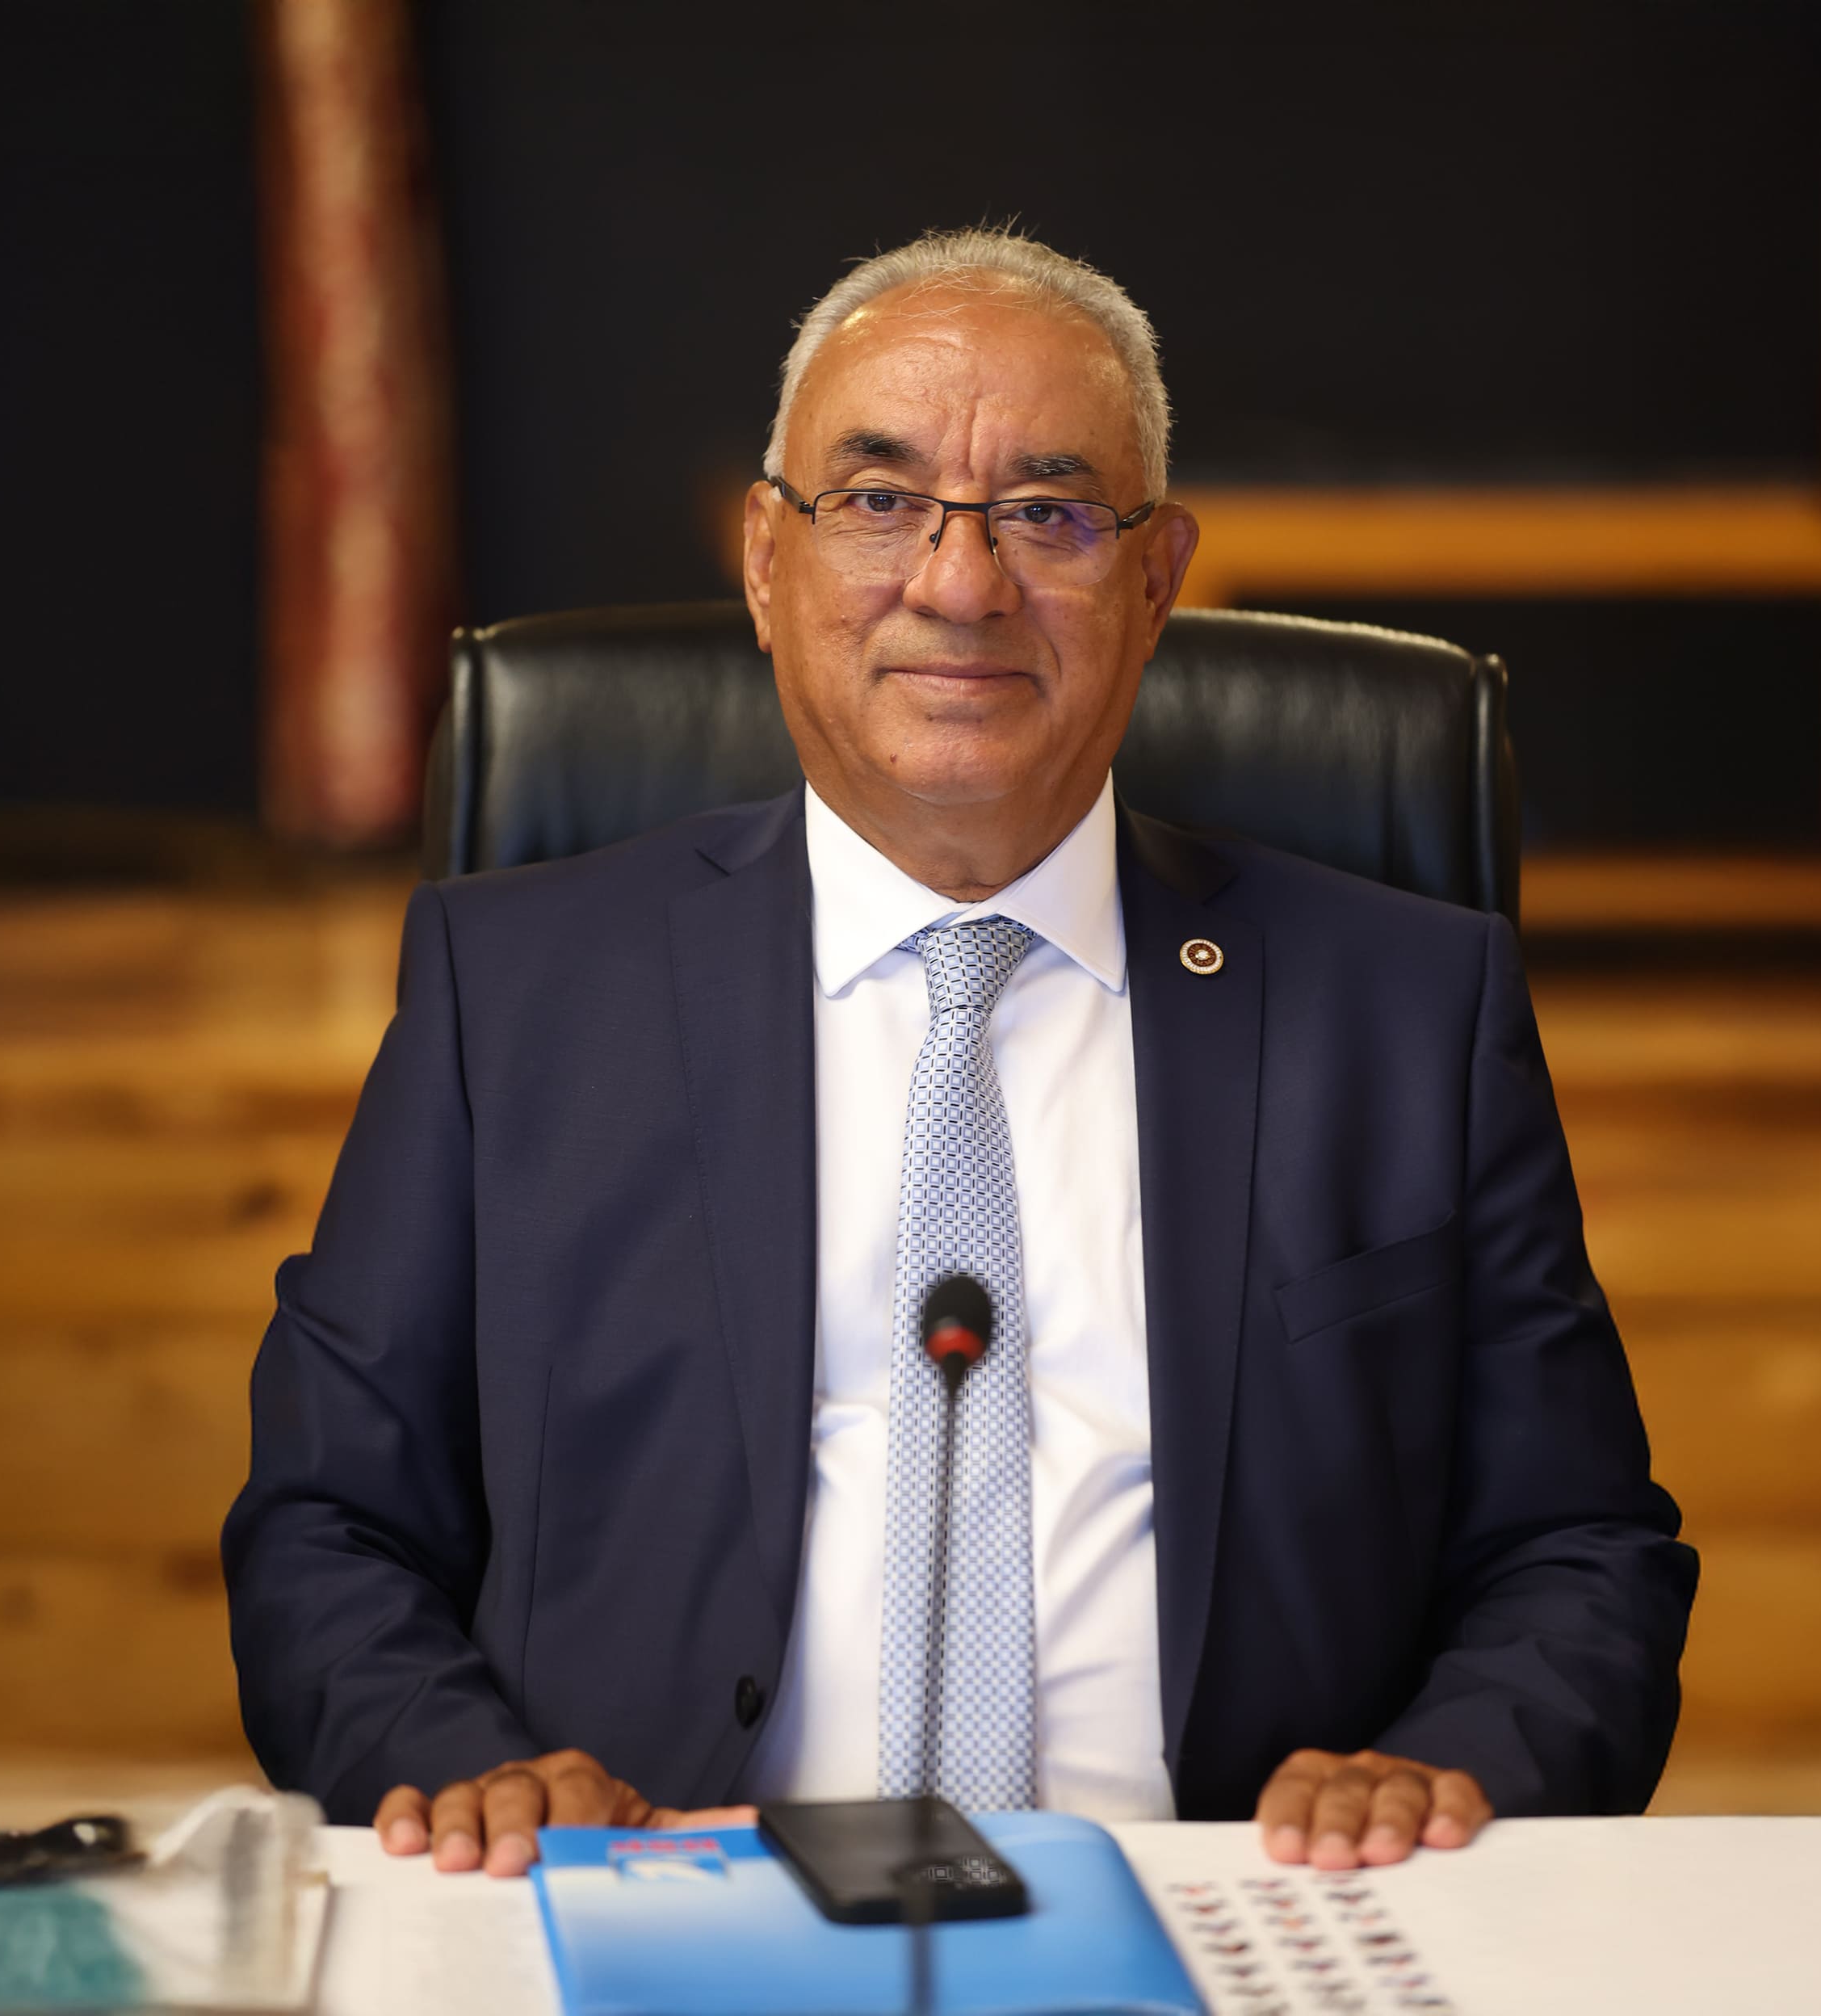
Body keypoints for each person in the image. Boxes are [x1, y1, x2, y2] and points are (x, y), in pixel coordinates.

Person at [222, 227, 1696, 1881]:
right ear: (765, 562)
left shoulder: (1408, 1010)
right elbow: (330, 1523)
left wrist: (1439, 1775)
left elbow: (1581, 1550)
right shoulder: (514, 990)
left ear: (1157, 579)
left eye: (1051, 514)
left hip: (1243, 1913)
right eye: (878, 500)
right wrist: (471, 1778)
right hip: (652, 1898)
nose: (960, 585)